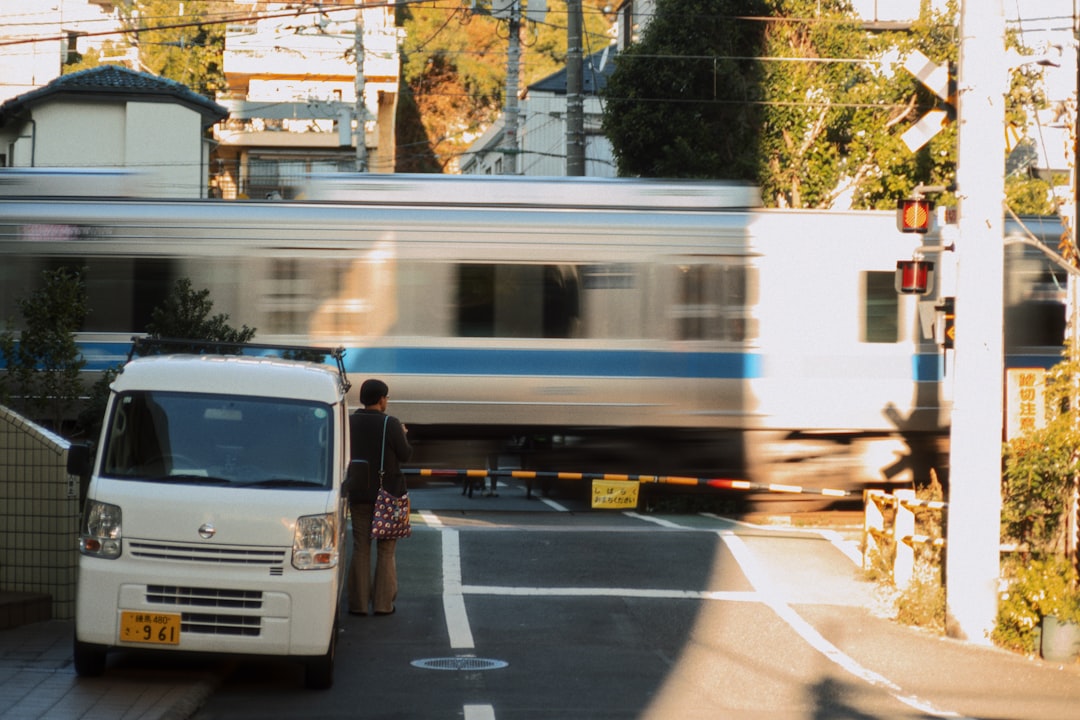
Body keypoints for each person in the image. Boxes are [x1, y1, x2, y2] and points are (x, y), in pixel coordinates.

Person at [347, 378, 412, 616]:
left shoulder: (350, 422)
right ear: (382, 399)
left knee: (361, 548)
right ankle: (384, 605)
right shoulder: (391, 424)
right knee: (386, 550)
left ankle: (358, 604)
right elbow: (405, 455)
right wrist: (403, 434)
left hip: (359, 493)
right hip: (388, 496)